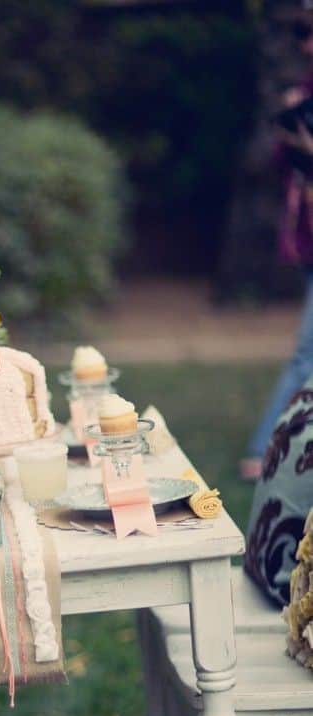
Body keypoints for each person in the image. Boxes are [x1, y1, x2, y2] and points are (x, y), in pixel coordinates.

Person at [242, 7, 313, 481]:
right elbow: (274, 165)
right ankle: (266, 448)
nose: (306, 44)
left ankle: (267, 448)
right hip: (309, 237)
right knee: (308, 352)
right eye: (302, 33)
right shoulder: (302, 96)